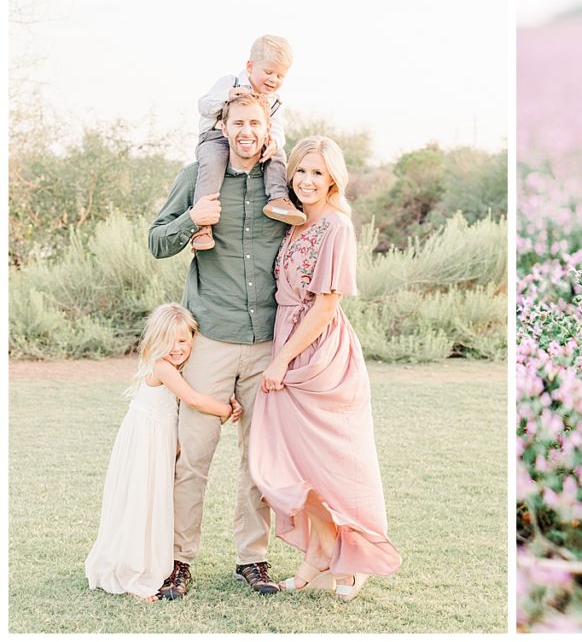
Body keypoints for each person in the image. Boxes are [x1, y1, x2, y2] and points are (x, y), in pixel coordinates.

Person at [149, 93, 288, 599]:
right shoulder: (197, 177)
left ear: (268, 128)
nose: (247, 131)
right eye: (238, 122)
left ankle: (252, 559)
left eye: (256, 122)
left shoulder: (282, 181)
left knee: (259, 459)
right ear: (223, 127)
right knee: (194, 459)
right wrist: (192, 220)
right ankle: (178, 560)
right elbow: (156, 240)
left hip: (269, 343)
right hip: (210, 339)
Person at [250, 136, 402, 601]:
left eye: (317, 172)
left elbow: (324, 306)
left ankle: (352, 561)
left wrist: (280, 360)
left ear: (333, 176)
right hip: (285, 338)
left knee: (336, 462)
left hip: (318, 353)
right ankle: (319, 552)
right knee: (290, 463)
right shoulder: (294, 226)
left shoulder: (336, 226)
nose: (307, 180)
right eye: (300, 171)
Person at [85, 303, 242, 602]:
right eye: (169, 341)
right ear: (156, 341)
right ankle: (132, 575)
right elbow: (193, 399)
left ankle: (147, 562)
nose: (176, 348)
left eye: (183, 340)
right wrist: (226, 409)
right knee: (142, 503)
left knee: (156, 501)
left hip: (158, 439)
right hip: (146, 441)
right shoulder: (162, 367)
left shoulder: (179, 367)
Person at [192, 34, 305, 251]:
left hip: (252, 140)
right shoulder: (230, 82)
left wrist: (274, 143)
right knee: (213, 162)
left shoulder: (273, 100)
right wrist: (227, 96)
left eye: (280, 75)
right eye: (269, 72)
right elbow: (203, 106)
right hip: (216, 137)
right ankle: (203, 224)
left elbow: (277, 127)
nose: (274, 79)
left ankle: (278, 199)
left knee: (278, 152)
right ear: (250, 66)